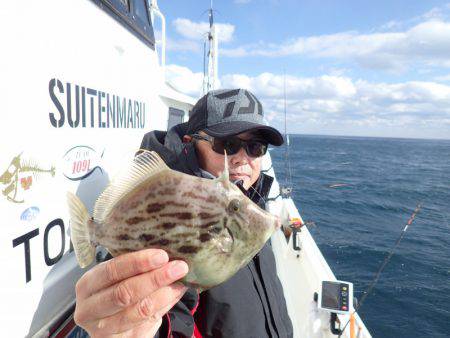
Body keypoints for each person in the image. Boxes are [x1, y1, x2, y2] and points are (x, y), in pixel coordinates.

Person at [73, 89, 293, 337]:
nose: (243, 158)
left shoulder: (251, 198)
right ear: (191, 143)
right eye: (227, 145)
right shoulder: (179, 209)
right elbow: (163, 310)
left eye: (255, 147)